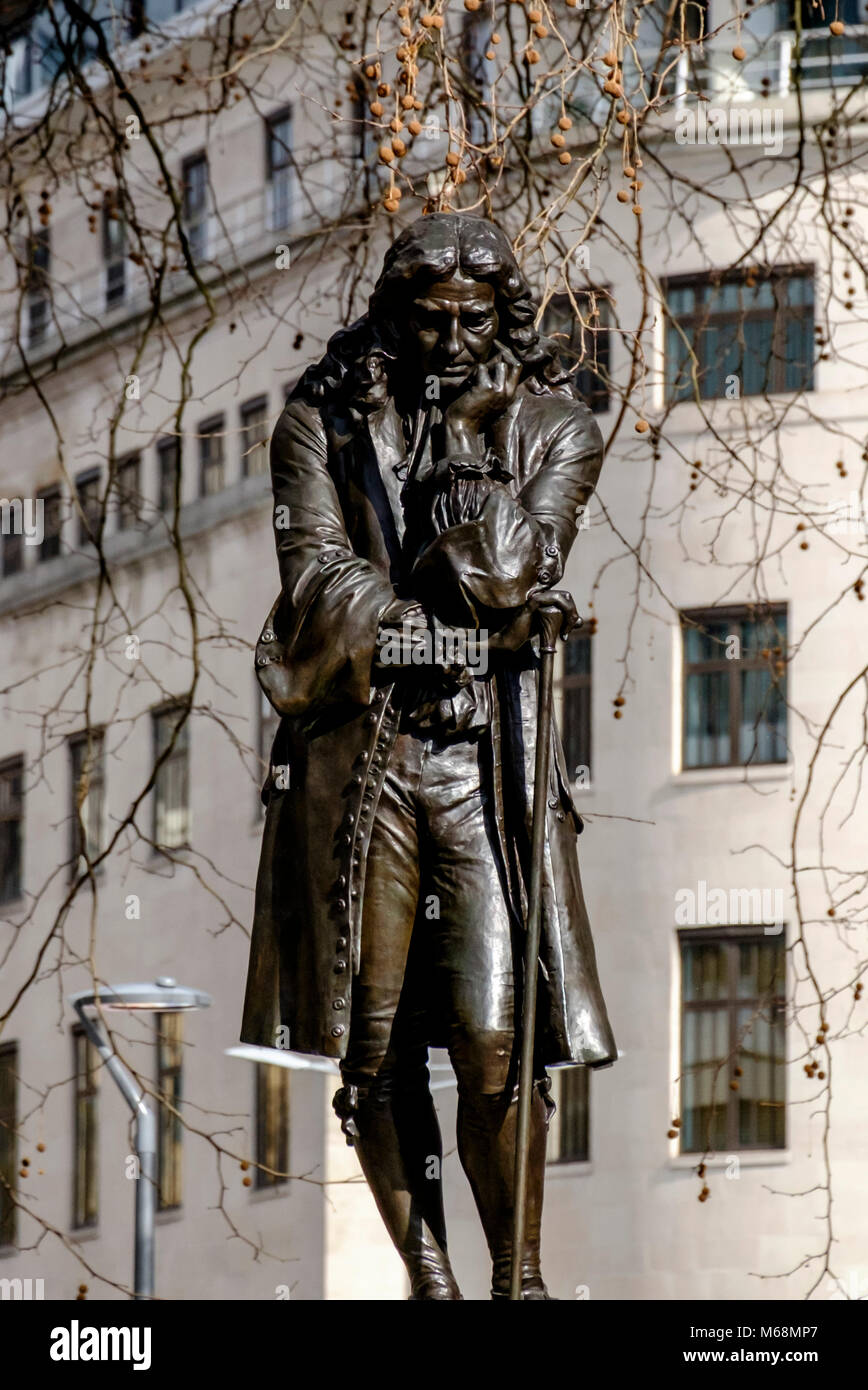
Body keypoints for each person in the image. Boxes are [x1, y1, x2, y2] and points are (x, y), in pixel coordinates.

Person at [241, 212, 618, 1300]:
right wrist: (422, 623)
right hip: (359, 763)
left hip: (480, 768)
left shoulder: (554, 431)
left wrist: (466, 439)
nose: (450, 342)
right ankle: (431, 1275)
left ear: (502, 320)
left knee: (499, 1037)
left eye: (471, 321)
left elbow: (511, 574)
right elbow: (312, 577)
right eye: (426, 319)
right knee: (372, 1044)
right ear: (390, 312)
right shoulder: (318, 425)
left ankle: (521, 1278)